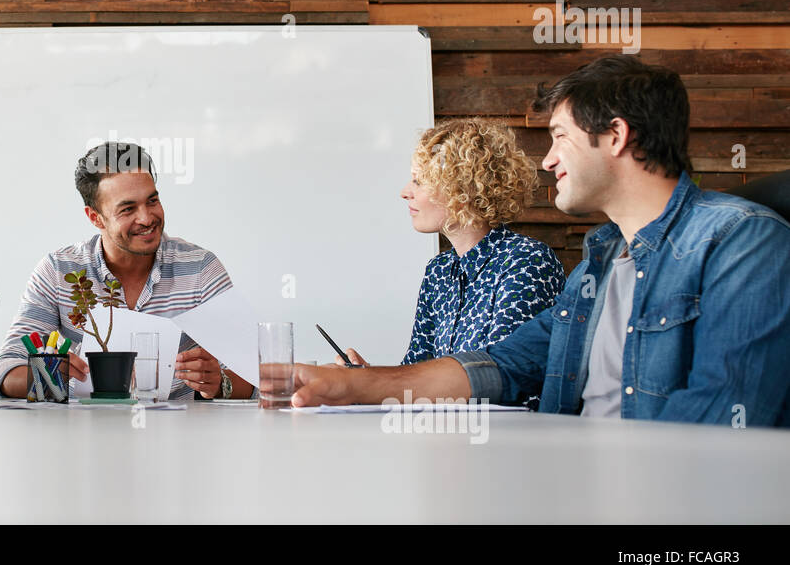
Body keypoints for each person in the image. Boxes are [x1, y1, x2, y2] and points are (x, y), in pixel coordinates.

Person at [294, 55, 790, 427]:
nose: (548, 161)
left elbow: (723, 423)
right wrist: (352, 385)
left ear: (615, 136)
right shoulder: (598, 261)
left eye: (559, 137)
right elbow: (504, 366)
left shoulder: (742, 241)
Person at [0, 141, 255, 400]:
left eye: (152, 201)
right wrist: (46, 376)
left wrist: (220, 384)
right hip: (80, 435)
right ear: (95, 217)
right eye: (128, 209)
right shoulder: (59, 270)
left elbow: (258, 375)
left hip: (177, 436)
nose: (147, 218)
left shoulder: (200, 268)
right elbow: (5, 370)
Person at [338, 119, 564, 371]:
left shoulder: (526, 261)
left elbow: (504, 375)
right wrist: (366, 377)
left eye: (419, 181)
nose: (404, 192)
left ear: (461, 188)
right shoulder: (438, 271)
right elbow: (416, 370)